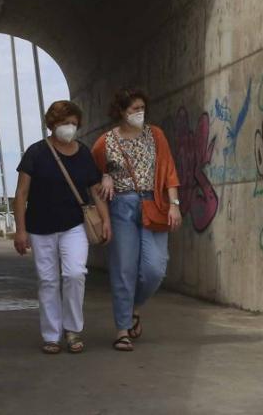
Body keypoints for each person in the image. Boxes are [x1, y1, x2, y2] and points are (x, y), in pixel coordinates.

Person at [14, 100, 111, 354]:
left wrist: (106, 220)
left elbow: (96, 191)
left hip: (74, 226)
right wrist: (20, 230)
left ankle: (73, 329)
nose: (69, 128)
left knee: (75, 274)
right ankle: (51, 335)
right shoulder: (36, 153)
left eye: (73, 123)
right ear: (52, 125)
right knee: (47, 281)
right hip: (39, 227)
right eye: (64, 123)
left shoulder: (84, 154)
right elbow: (21, 194)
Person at [93, 87, 181, 352]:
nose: (140, 113)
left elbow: (168, 171)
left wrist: (174, 204)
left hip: (154, 204)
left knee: (155, 268)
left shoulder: (156, 135)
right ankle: (122, 330)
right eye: (134, 109)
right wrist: (104, 177)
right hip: (121, 206)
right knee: (124, 269)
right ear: (121, 111)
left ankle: (132, 307)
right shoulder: (105, 142)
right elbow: (92, 178)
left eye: (142, 108)